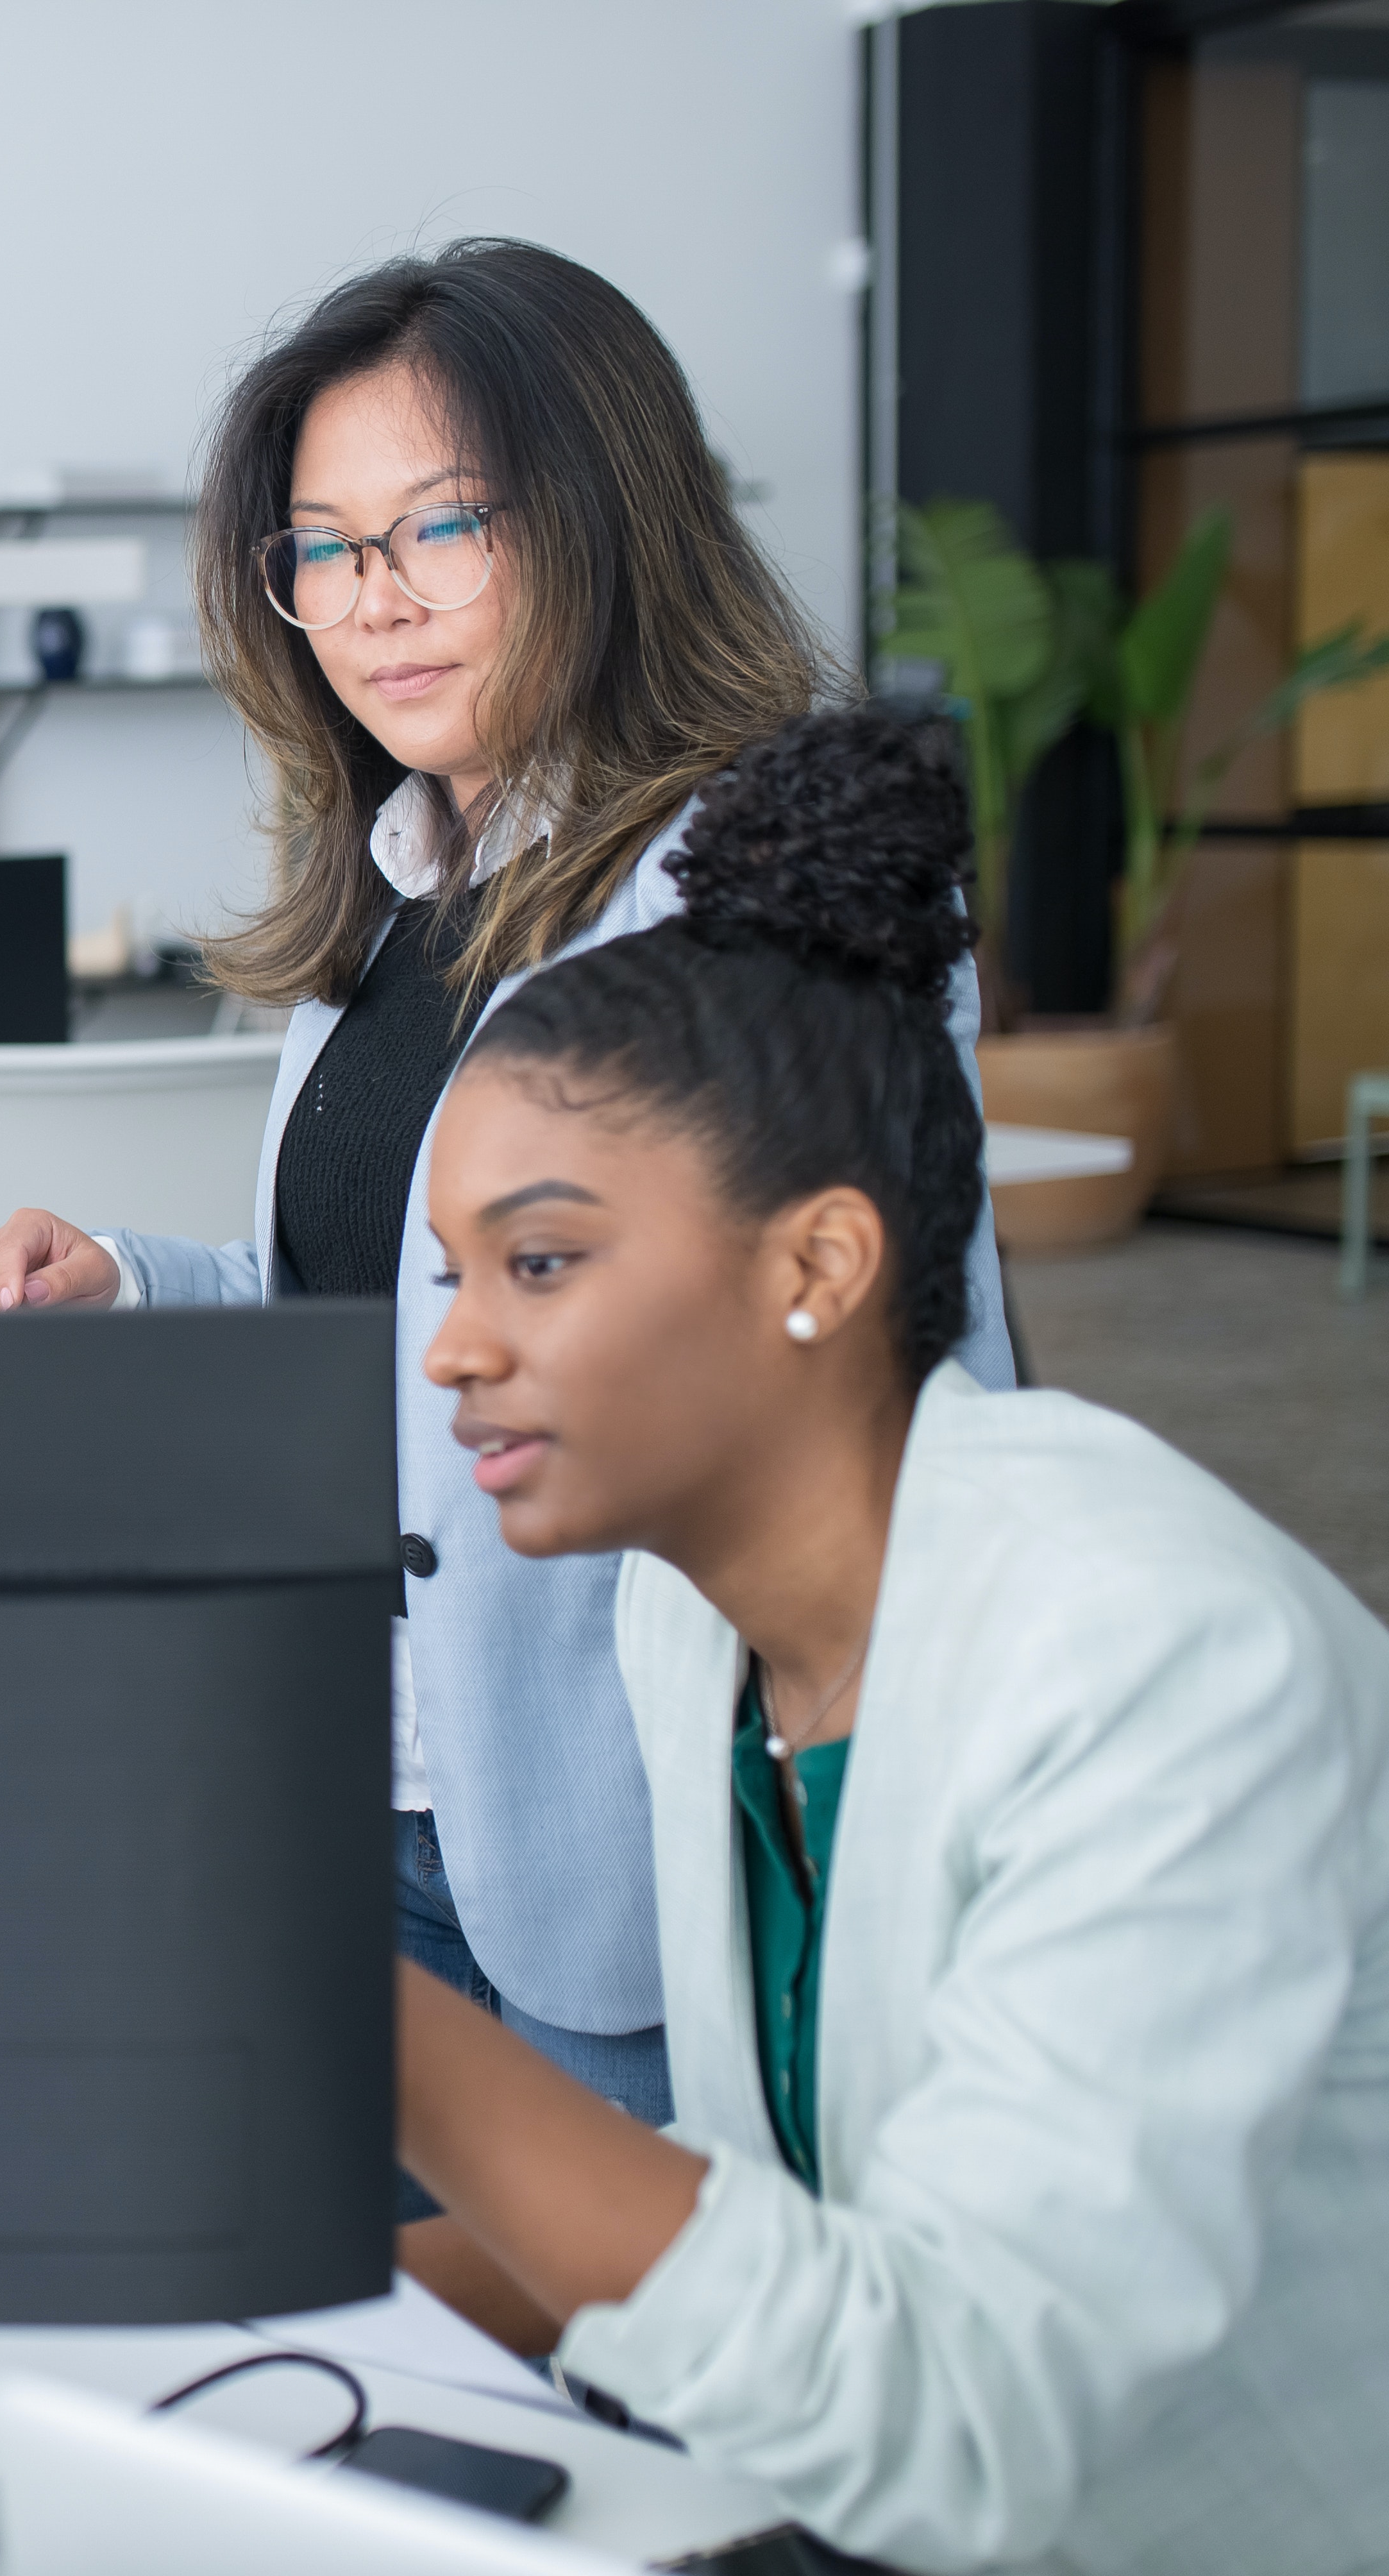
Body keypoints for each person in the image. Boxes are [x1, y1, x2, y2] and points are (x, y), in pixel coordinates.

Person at [0, 241, 1015, 2298]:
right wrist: (148, 1288)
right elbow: (416, 1318)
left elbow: (878, 1377)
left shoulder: (759, 886)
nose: (376, 595)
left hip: (625, 1822)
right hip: (379, 1783)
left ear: (605, 520)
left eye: (443, 524)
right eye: (323, 547)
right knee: (408, 2375)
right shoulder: (396, 890)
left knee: (662, 2398)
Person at [394, 706, 1389, 2574]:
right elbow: (760, 2207)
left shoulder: (1156, 1654)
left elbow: (957, 2419)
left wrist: (347, 2024)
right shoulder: (686, 1624)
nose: (450, 1346)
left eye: (534, 1263)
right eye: (450, 1275)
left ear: (815, 1268)